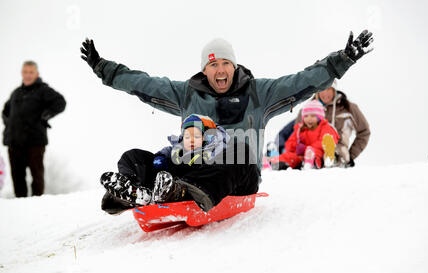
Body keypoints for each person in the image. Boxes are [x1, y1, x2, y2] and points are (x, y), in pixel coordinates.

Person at [80, 31, 374, 173]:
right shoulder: (187, 94)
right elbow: (143, 84)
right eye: (213, 65)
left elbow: (302, 81)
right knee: (134, 157)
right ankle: (135, 190)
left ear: (234, 66)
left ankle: (188, 188)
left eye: (225, 63)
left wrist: (341, 61)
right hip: (193, 170)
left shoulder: (259, 93)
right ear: (204, 70)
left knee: (235, 149)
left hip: (239, 175)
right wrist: (104, 68)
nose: (220, 70)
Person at [100, 114, 259, 214]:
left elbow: (233, 163)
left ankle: (178, 191)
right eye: (187, 136)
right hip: (172, 185)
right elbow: (164, 156)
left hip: (223, 185)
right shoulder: (177, 152)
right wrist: (160, 160)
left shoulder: (221, 149)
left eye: (196, 135)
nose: (190, 139)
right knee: (134, 155)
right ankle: (135, 191)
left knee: (241, 151)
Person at [2, 61, 66, 197]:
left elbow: (60, 102)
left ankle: (37, 203)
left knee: (37, 175)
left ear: (37, 74)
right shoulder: (16, 93)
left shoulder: (43, 90)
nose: (28, 75)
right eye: (25, 72)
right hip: (14, 142)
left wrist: (45, 116)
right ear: (22, 73)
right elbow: (5, 111)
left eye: (31, 72)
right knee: (17, 177)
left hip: (35, 141)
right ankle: (20, 204)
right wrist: (9, 125)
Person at [270, 100, 339, 170]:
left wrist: (306, 149)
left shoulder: (325, 127)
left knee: (314, 152)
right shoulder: (300, 129)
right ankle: (276, 162)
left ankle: (314, 163)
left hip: (317, 153)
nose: (309, 119)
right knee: (290, 155)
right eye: (306, 116)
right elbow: (290, 143)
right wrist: (296, 146)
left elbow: (326, 141)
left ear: (319, 117)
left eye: (313, 116)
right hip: (301, 155)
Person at [315, 80, 370, 167]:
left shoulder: (349, 107)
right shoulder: (309, 109)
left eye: (329, 89)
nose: (325, 93)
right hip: (314, 156)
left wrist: (352, 155)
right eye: (322, 89)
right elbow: (297, 132)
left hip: (340, 155)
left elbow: (364, 131)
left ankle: (334, 159)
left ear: (334, 90)